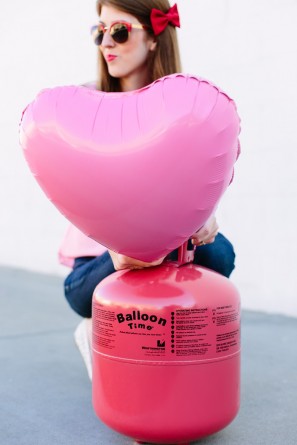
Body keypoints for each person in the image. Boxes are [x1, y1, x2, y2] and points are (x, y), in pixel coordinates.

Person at [59, 0, 236, 380]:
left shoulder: (184, 107)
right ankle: (103, 332)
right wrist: (120, 245)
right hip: (100, 258)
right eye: (99, 32)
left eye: (119, 31)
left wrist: (203, 218)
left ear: (154, 38)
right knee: (80, 292)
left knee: (221, 256)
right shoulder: (85, 104)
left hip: (171, 244)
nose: (107, 43)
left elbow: (199, 182)